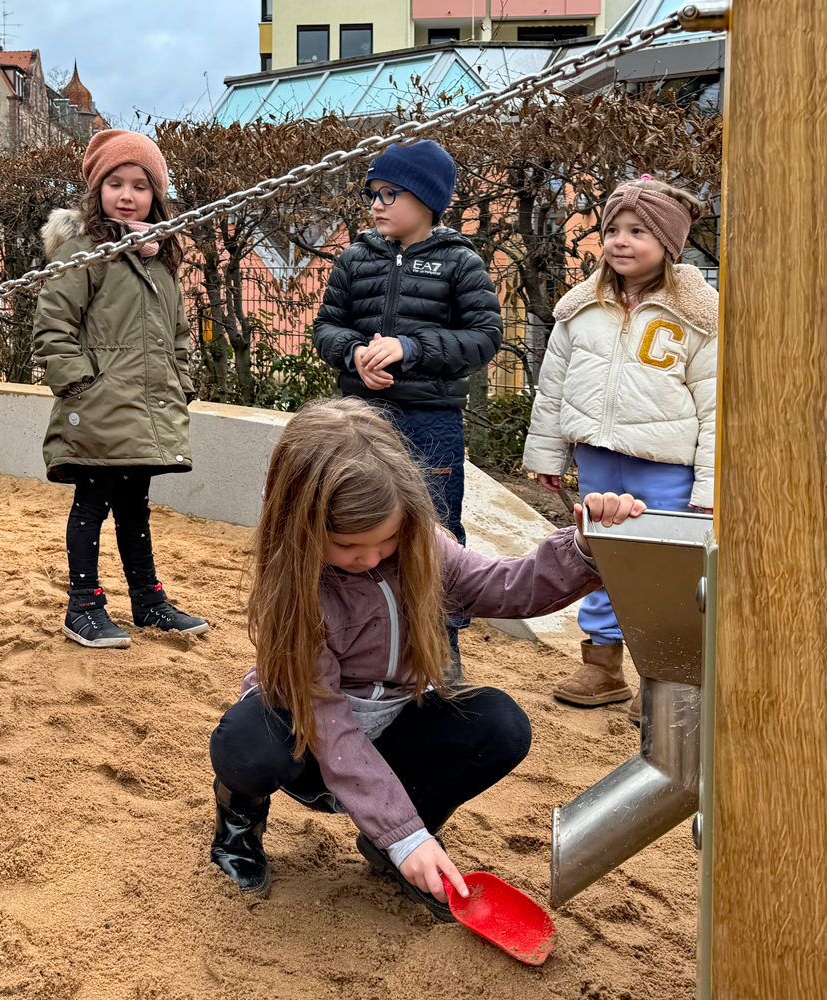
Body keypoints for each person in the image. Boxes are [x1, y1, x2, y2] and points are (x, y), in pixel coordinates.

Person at [206, 399, 646, 917]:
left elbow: (506, 587)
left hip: (394, 722)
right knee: (247, 742)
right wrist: (404, 836)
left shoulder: (424, 547)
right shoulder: (294, 587)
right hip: (308, 738)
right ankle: (239, 822)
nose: (371, 557)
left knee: (499, 724)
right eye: (348, 545)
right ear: (301, 524)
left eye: (388, 539)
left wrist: (585, 548)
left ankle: (396, 845)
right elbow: (326, 720)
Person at [311, 141, 502, 685]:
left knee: (436, 530)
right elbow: (326, 326)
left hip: (429, 422)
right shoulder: (355, 259)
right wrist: (354, 354)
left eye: (390, 193)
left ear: (427, 199)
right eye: (372, 193)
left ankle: (441, 648)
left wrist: (410, 349)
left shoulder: (460, 262)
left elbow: (485, 337)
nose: (376, 204)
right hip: (359, 418)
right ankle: (353, 639)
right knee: (349, 523)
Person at [523, 177, 715, 716]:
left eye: (638, 231)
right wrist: (548, 454)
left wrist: (709, 487)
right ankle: (602, 663)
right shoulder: (580, 307)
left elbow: (717, 405)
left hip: (666, 467)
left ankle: (667, 676)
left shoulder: (700, 315)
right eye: (612, 230)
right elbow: (553, 385)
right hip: (597, 458)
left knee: (664, 569)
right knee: (602, 556)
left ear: (669, 242)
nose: (620, 241)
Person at [32, 129, 208, 649]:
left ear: (156, 194)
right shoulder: (86, 253)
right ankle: (83, 605)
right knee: (92, 502)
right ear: (97, 190)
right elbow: (53, 326)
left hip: (146, 406)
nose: (127, 196)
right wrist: (81, 385)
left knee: (135, 504)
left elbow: (178, 332)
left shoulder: (160, 260)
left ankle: (148, 600)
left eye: (140, 185)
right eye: (115, 184)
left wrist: (181, 383)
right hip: (100, 405)